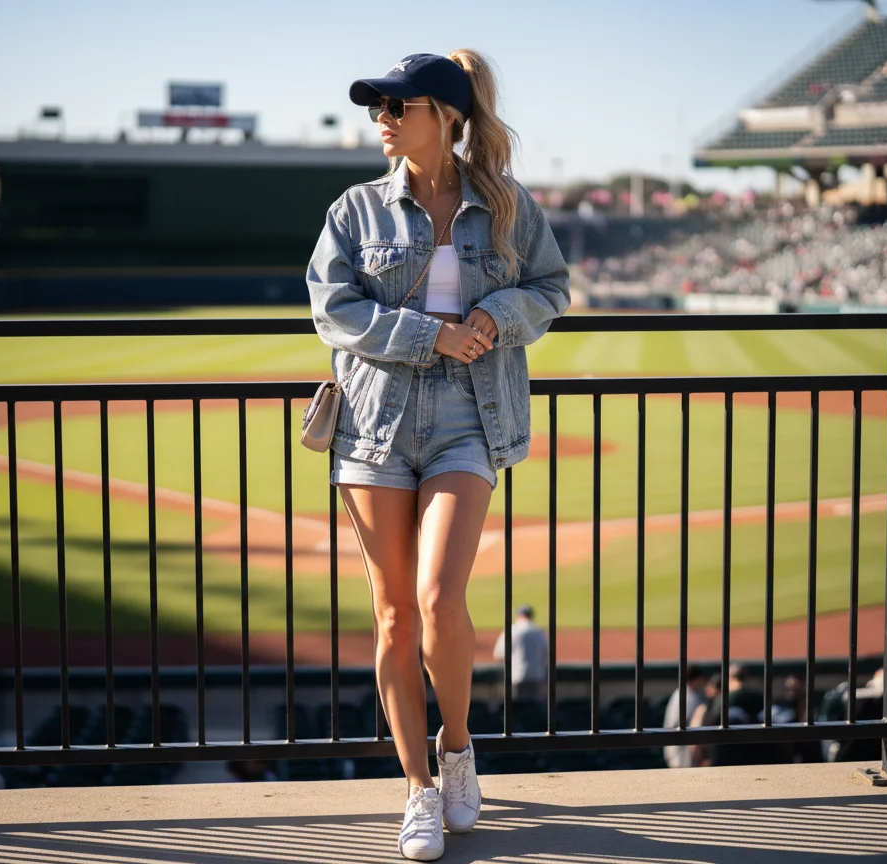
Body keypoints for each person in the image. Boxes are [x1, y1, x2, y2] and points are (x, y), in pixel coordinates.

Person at [306, 50, 570, 862]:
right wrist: (429, 334)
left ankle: (458, 748)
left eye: (398, 104)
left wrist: (495, 316)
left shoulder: (504, 203)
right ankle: (418, 789)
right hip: (375, 426)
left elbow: (553, 289)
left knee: (438, 599)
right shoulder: (355, 210)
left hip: (468, 418)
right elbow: (332, 307)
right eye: (376, 106)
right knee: (392, 616)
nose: (381, 117)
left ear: (446, 115)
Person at [492, 604, 548, 703]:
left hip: (516, 677)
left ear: (519, 615)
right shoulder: (539, 632)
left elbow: (498, 654)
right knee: (535, 708)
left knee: (517, 709)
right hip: (536, 676)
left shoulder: (512, 630)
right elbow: (546, 655)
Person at [662, 664, 708, 769]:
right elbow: (693, 726)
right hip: (683, 751)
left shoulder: (679, 693)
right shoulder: (689, 697)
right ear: (697, 678)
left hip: (675, 748)